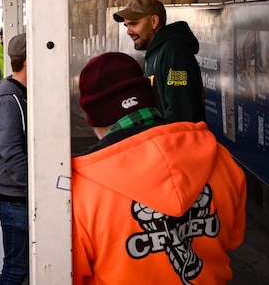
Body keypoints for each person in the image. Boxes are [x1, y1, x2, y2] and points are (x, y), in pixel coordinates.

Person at [72, 52, 246, 284]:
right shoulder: (221, 160)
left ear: (93, 118)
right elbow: (232, 239)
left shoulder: (82, 190)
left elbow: (72, 272)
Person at [113, 0, 206, 123]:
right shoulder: (155, 53)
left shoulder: (175, 52)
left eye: (134, 24)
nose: (129, 32)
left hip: (175, 140)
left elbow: (181, 113)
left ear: (154, 21)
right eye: (127, 25)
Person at [0, 33, 29, 285]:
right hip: (17, 201)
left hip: (21, 197)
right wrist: (38, 191)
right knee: (16, 269)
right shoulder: (7, 98)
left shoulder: (18, 93)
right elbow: (12, 154)